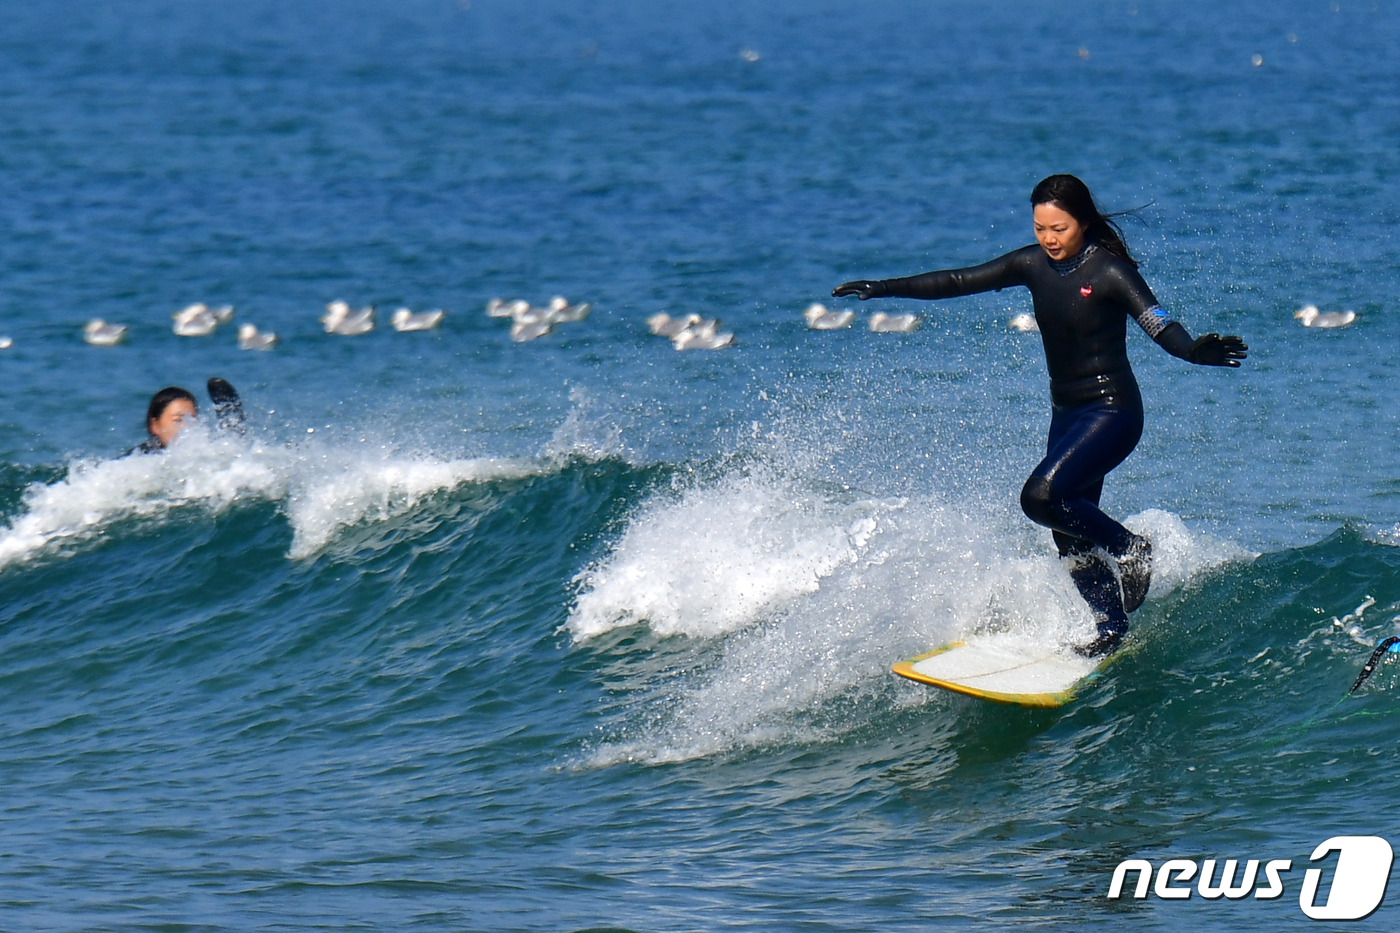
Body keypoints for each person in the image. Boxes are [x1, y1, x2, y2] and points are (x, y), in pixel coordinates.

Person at [833, 174, 1247, 655]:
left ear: (1084, 222)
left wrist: (1194, 351)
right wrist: (883, 287)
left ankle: (1131, 549)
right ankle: (1110, 630)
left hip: (1112, 412)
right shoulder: (1032, 266)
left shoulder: (1111, 272)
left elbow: (1158, 323)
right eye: (1040, 228)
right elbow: (958, 280)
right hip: (1067, 415)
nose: (1049, 239)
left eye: (1060, 229)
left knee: (1039, 497)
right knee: (1067, 534)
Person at [130, 378, 245, 455]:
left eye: (192, 419)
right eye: (178, 420)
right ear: (155, 426)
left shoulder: (205, 452)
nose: (185, 427)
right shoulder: (138, 460)